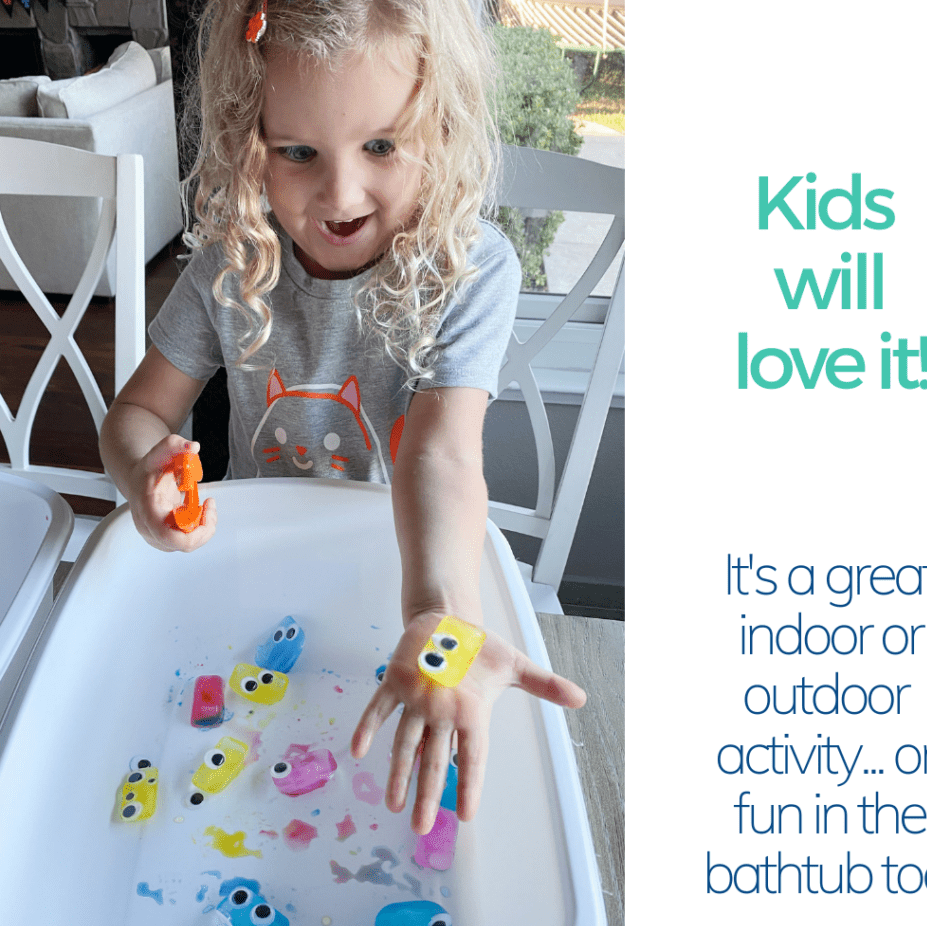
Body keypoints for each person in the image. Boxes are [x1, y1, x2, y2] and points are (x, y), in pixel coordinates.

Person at [99, 0, 585, 837]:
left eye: (383, 146)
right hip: (252, 581)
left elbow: (440, 458)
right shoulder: (229, 259)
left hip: (399, 587)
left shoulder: (468, 271)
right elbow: (137, 413)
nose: (341, 191)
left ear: (444, 126)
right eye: (297, 152)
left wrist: (440, 621)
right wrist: (143, 467)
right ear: (246, 137)